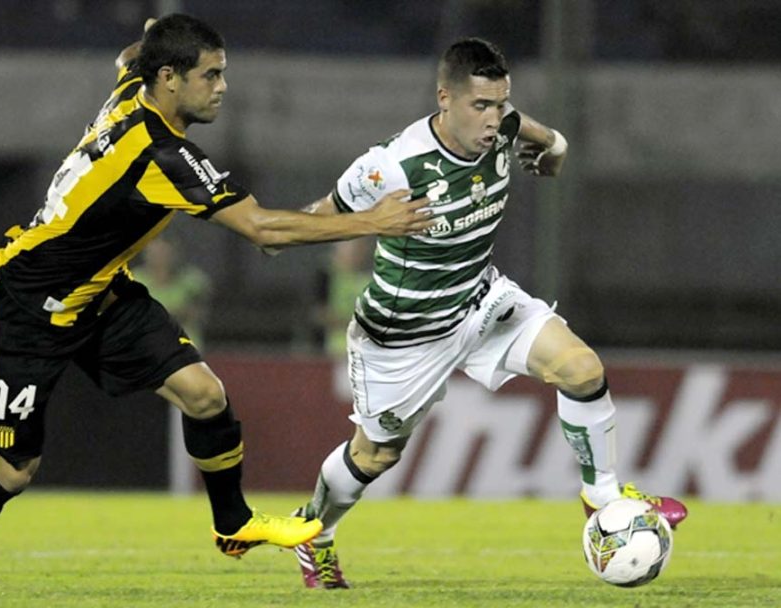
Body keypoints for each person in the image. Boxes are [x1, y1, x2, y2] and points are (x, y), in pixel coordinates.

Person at [0, 14, 433, 595]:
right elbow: (260, 230)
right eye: (212, 75)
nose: (223, 87)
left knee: (205, 395)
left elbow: (127, 57)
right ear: (171, 79)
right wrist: (373, 221)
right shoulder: (161, 156)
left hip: (101, 292)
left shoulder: (134, 86)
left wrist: (155, 36)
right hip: (32, 303)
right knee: (12, 472)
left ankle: (233, 524)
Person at [290, 38, 688, 590]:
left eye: (500, 104)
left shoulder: (500, 126)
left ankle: (602, 498)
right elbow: (307, 223)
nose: (493, 119)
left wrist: (556, 146)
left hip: (481, 301)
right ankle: (314, 533)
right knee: (376, 454)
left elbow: (534, 131)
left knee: (582, 369)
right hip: (404, 334)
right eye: (480, 106)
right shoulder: (391, 166)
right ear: (444, 99)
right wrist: (369, 222)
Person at [131, 236, 212, 349]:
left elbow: (197, 313)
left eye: (164, 252)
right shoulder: (134, 280)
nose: (160, 258)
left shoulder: (193, 281)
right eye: (155, 253)